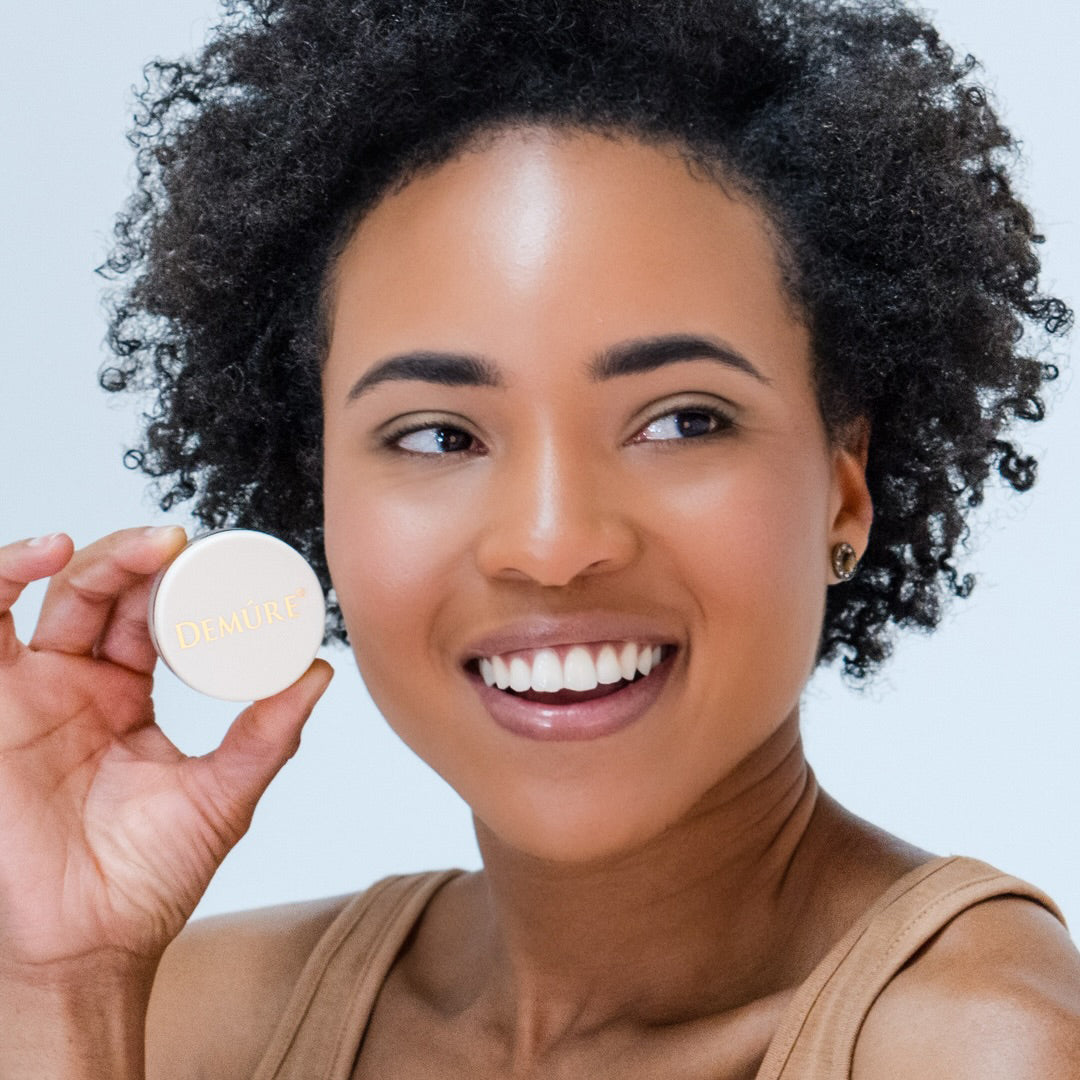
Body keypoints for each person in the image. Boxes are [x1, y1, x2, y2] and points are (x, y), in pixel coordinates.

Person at [2, 0, 1078, 1076]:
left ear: (845, 487)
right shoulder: (191, 1020)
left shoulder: (983, 1046)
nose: (553, 544)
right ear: (315, 488)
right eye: (437, 434)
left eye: (681, 421)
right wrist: (62, 985)